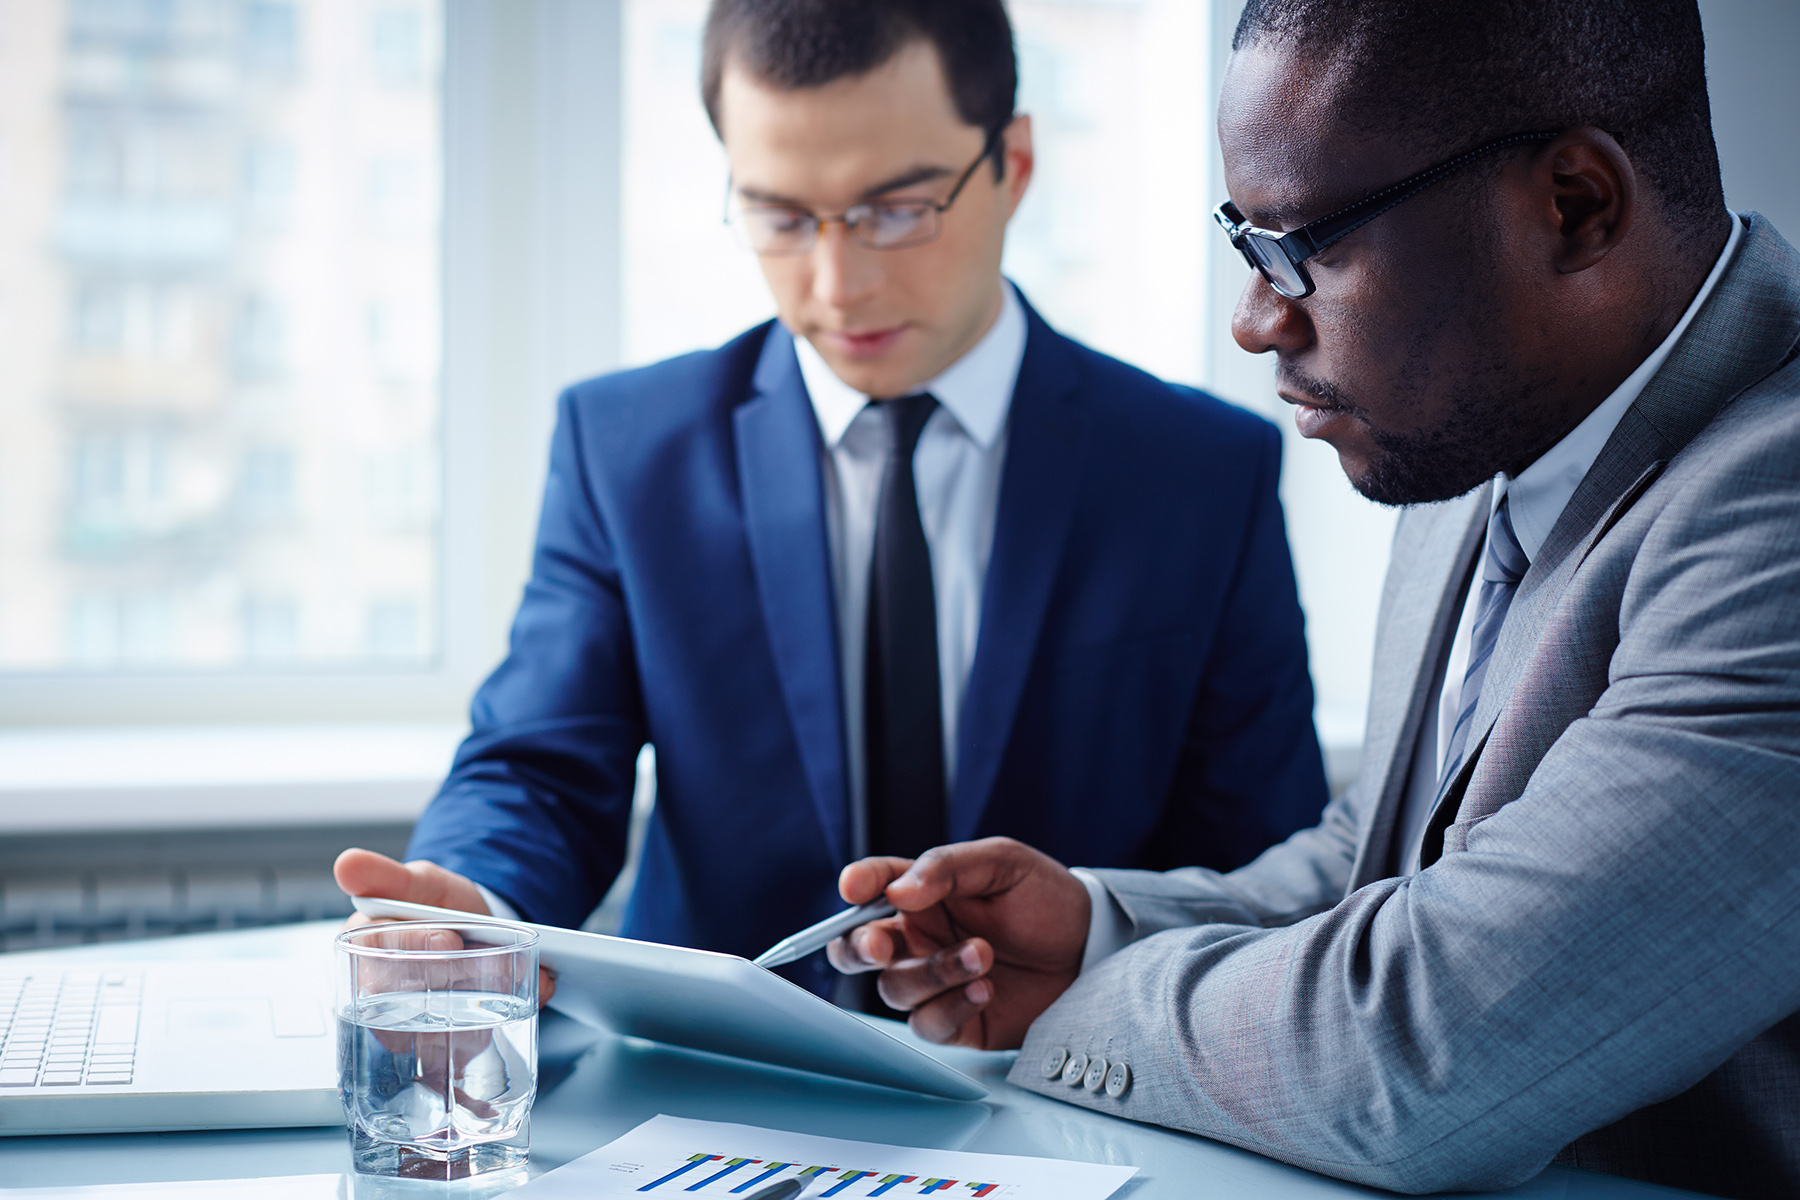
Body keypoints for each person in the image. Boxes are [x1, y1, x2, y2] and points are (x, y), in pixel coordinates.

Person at [827, 0, 1800, 1195]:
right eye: (1248, 245)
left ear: (1574, 205)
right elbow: (1386, 862)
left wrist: (1083, 1003)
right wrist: (1090, 926)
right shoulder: (1481, 426)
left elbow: (1423, 1053)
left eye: (1307, 250)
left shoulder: (1778, 509)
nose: (1253, 321)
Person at [335, 0, 1329, 1004]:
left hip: (1081, 1088)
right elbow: (539, 769)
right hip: (716, 1097)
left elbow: (1265, 865)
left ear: (1012, 167)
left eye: (897, 209)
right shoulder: (627, 451)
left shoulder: (1200, 473)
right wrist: (475, 907)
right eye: (779, 216)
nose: (837, 285)